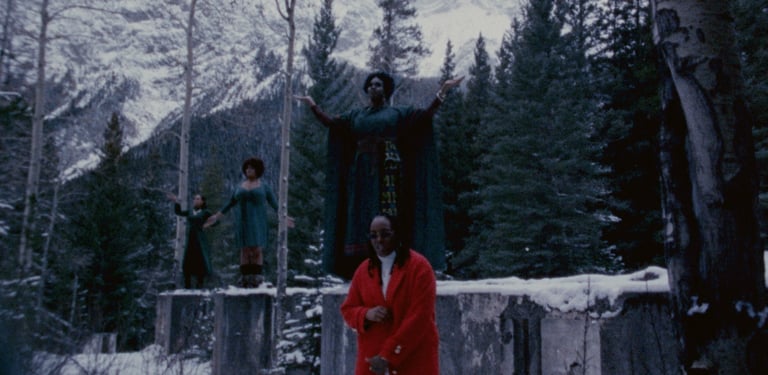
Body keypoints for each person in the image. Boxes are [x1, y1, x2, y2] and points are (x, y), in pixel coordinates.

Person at [295, 72, 463, 279]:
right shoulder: (356, 116)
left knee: (389, 214)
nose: (373, 87)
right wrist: (313, 105)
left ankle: (394, 262)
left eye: (378, 85)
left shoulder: (397, 113)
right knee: (360, 215)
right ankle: (364, 267)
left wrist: (443, 91)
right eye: (371, 85)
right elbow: (331, 124)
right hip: (361, 174)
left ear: (386, 90)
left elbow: (424, 117)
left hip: (389, 170)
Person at [340, 213, 439, 375]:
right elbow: (348, 309)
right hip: (372, 360)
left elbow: (420, 317)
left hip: (414, 359)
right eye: (373, 235)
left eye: (385, 234)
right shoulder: (363, 270)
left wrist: (388, 354)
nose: (379, 240)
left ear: (397, 234)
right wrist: (366, 314)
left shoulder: (420, 267)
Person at [205, 157, 284, 288]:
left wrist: (284, 217)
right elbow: (230, 203)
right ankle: (245, 278)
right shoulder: (239, 186)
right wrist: (216, 216)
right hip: (243, 220)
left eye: (251, 168)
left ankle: (257, 278)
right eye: (247, 168)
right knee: (245, 249)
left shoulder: (264, 186)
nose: (248, 170)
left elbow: (275, 204)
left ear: (257, 170)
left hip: (258, 220)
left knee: (257, 248)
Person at [168, 192, 214, 289]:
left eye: (197, 199)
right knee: (188, 259)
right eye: (194, 199)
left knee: (200, 259)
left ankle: (200, 284)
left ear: (202, 201)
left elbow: (215, 221)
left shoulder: (205, 212)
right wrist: (176, 202)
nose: (195, 200)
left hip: (200, 239)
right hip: (191, 238)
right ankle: (187, 285)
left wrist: (207, 225)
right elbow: (179, 212)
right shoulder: (190, 211)